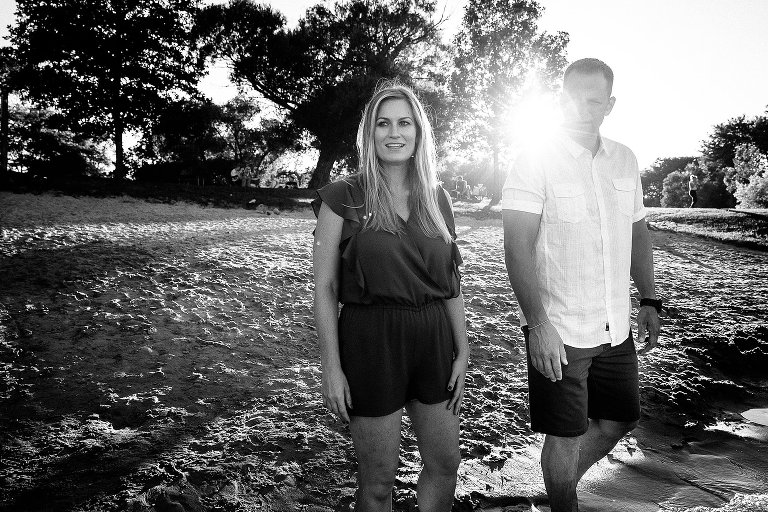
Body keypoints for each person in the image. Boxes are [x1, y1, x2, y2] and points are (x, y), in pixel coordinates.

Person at [502, 58, 661, 512]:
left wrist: (649, 298)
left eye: (593, 99)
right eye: (573, 96)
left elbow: (638, 234)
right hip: (560, 328)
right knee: (565, 434)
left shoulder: (625, 159)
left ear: (610, 104)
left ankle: (558, 489)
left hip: (616, 326)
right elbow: (516, 247)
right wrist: (538, 326)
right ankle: (562, 504)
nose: (580, 107)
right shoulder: (535, 157)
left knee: (618, 420)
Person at [312, 81, 469, 512]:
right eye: (383, 123)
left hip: (434, 338)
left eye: (404, 122)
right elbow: (324, 289)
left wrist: (462, 349)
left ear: (419, 133)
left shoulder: (437, 196)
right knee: (378, 481)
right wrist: (331, 367)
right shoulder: (344, 197)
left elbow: (451, 280)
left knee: (445, 463)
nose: (393, 132)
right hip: (371, 340)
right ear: (370, 133)